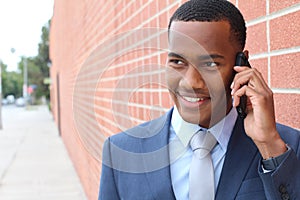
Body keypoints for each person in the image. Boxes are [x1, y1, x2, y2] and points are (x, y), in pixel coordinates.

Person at [98, 0, 300, 199]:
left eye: (210, 64)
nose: (191, 83)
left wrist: (268, 146)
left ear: (242, 64)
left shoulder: (285, 146)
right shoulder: (120, 152)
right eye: (177, 62)